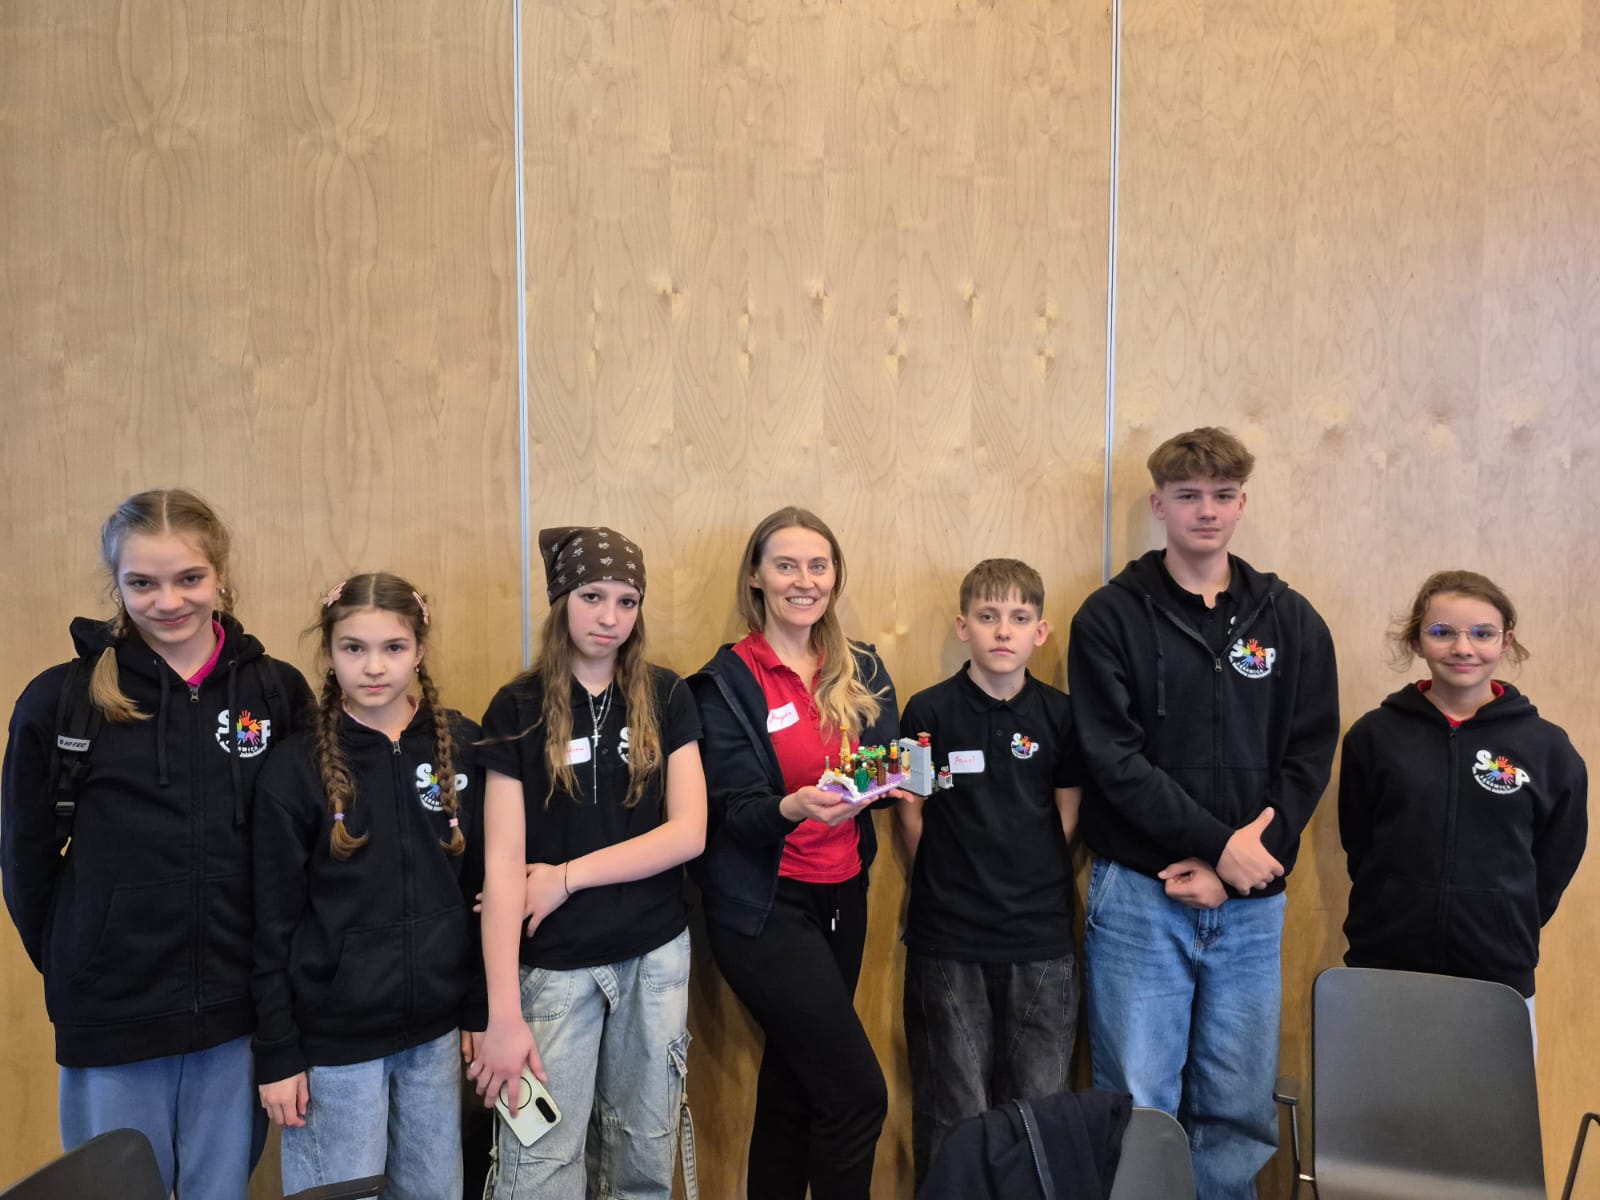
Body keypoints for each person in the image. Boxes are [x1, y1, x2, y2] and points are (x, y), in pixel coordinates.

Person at [1, 488, 313, 1199]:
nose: (168, 601)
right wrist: (81, 960)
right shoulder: (62, 700)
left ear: (221, 575)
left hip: (236, 1016)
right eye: (142, 582)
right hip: (111, 1013)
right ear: (116, 584)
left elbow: (298, 850)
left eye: (189, 578)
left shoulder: (275, 692)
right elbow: (24, 861)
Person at [1067, 428, 1339, 1200]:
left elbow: (1309, 753)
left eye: (1222, 495)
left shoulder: (1290, 619)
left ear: (1243, 503)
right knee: (1139, 1105)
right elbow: (1112, 759)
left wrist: (1242, 864)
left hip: (1251, 903)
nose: (1206, 511)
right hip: (1140, 896)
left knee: (1237, 1109)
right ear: (1159, 506)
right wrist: (1221, 846)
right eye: (1188, 496)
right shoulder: (1109, 617)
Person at [471, 527, 706, 1200]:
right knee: (539, 1169)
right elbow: (502, 871)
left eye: (627, 601)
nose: (610, 617)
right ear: (561, 600)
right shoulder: (515, 708)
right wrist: (502, 1016)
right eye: (592, 596)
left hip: (654, 958)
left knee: (643, 1160)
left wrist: (566, 878)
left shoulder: (667, 695)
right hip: (553, 969)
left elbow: (689, 834)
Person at [689, 506, 902, 1200]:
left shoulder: (861, 666)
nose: (804, 581)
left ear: (835, 576)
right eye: (786, 565)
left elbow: (883, 765)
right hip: (764, 909)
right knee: (857, 1096)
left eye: (818, 565)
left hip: (844, 895)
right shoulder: (725, 683)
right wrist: (795, 805)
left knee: (795, 1085)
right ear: (756, 577)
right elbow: (730, 813)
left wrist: (889, 782)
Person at [252, 573, 485, 1196]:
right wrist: (278, 1051)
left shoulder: (463, 746)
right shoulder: (293, 768)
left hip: (436, 1038)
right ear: (329, 653)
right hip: (334, 1050)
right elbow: (270, 924)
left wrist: (479, 1007)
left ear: (420, 650)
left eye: (394, 647)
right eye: (354, 647)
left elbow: (481, 893)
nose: (374, 666)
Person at [896, 557, 1083, 1187]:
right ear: (962, 627)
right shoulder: (926, 711)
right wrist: (953, 878)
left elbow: (1067, 814)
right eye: (988, 616)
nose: (1003, 630)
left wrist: (1025, 873)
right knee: (954, 1110)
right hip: (949, 938)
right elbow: (911, 814)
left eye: (1019, 618)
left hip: (1041, 939)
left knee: (1039, 1109)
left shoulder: (1062, 715)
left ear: (1041, 632)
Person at [1339, 570, 1587, 1037]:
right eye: (1442, 632)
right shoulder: (1375, 736)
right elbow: (1359, 841)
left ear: (1506, 641)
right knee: (1386, 1084)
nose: (1463, 648)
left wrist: (1505, 917)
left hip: (1497, 970)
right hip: (1386, 961)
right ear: (1416, 640)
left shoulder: (1547, 748)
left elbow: (1557, 856)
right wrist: (1393, 900)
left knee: (1489, 1088)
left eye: (1482, 633)